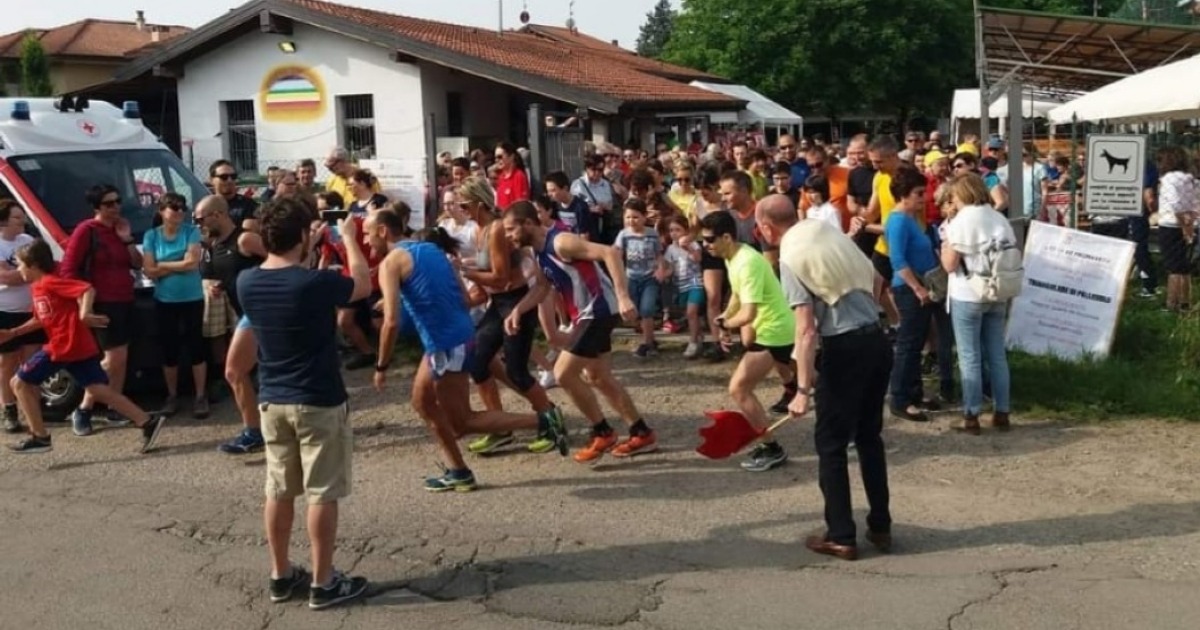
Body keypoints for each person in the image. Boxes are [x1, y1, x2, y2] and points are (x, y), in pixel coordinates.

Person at [237, 197, 370, 610]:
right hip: (318, 399)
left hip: (272, 398)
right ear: (300, 236)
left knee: (278, 490)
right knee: (321, 493)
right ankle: (323, 581)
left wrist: (306, 250)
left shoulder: (247, 282)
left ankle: (280, 575)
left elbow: (289, 281)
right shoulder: (315, 283)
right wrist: (348, 239)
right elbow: (362, 285)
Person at [374, 218, 568, 491]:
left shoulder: (391, 263)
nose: (367, 240)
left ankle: (544, 420)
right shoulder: (430, 250)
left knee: (462, 422)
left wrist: (381, 366)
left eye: (368, 233)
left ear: (383, 231)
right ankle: (459, 471)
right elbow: (460, 300)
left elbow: (391, 322)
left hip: (446, 344)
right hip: (454, 338)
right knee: (423, 403)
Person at [772, 205, 892, 562]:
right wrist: (894, 322)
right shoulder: (830, 237)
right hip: (876, 340)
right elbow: (878, 282)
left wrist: (802, 390)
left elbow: (806, 329)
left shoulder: (791, 255)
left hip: (843, 348)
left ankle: (840, 534)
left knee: (831, 444)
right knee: (870, 437)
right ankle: (881, 525)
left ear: (765, 228)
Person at [502, 202, 658, 463]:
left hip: (597, 310)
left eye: (510, 230)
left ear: (528, 224)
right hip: (587, 314)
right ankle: (641, 432)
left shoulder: (561, 242)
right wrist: (518, 309)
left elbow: (610, 253)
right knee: (598, 377)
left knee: (563, 373)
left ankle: (603, 432)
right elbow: (542, 286)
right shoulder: (538, 251)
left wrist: (622, 297)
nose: (507, 236)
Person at [2, 240, 166, 454]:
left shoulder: (50, 282)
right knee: (98, 389)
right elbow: (41, 319)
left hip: (64, 346)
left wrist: (84, 313)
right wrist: (13, 333)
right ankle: (147, 422)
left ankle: (39, 437)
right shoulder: (37, 287)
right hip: (77, 346)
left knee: (19, 383)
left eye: (21, 264)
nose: (18, 269)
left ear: (33, 265)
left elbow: (86, 289)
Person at [458, 183, 566, 456]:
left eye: (463, 205)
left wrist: (463, 272)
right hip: (499, 303)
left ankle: (550, 419)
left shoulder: (495, 229)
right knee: (477, 361)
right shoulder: (480, 230)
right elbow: (491, 274)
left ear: (479, 204)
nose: (458, 210)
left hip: (518, 300)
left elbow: (501, 277)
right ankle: (499, 426)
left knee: (517, 370)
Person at [699, 206, 796, 472]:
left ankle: (771, 447)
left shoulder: (747, 262)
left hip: (775, 330)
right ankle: (853, 423)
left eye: (709, 240)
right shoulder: (733, 257)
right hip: (772, 327)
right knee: (814, 384)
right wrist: (724, 317)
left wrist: (727, 325)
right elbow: (739, 298)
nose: (705, 245)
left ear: (726, 238)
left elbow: (749, 312)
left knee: (739, 388)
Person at [59, 184, 143, 435]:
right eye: (108, 203)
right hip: (102, 301)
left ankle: (115, 407)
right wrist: (83, 302)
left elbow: (137, 264)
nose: (115, 207)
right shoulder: (87, 230)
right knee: (112, 358)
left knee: (121, 358)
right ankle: (84, 408)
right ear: (96, 207)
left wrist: (127, 238)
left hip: (125, 298)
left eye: (118, 201)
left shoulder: (119, 229)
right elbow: (68, 270)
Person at [940, 173, 1016, 435]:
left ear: (961, 194)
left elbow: (950, 264)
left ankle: (971, 415)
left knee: (969, 356)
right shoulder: (999, 218)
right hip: (998, 292)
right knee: (997, 354)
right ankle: (1002, 411)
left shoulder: (961, 221)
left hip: (967, 293)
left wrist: (944, 245)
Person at [195, 196, 268, 454]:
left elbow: (282, 260)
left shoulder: (245, 239)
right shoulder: (215, 244)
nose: (198, 224)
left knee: (235, 371)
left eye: (200, 219)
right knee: (258, 372)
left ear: (217, 215)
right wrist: (220, 287)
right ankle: (263, 429)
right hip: (245, 313)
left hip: (263, 312)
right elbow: (229, 274)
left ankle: (254, 432)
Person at [885, 166, 949, 422]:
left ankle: (913, 392)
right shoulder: (899, 220)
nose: (925, 198)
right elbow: (897, 259)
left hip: (918, 286)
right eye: (919, 193)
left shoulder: (909, 218)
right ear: (903, 194)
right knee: (908, 345)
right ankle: (899, 398)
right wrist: (917, 287)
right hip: (910, 288)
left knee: (915, 343)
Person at [143, 193, 208, 418]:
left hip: (192, 298)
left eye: (182, 208)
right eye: (174, 208)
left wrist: (163, 265)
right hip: (165, 299)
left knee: (196, 346)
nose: (179, 212)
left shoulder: (192, 232)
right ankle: (172, 395)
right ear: (162, 211)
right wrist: (175, 263)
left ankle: (200, 396)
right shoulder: (151, 235)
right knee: (169, 348)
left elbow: (192, 263)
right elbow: (148, 269)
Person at [0, 200, 44, 433]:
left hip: (30, 309)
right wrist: (26, 273)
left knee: (31, 362)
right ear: (4, 221)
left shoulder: (27, 241)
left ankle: (33, 410)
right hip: (5, 310)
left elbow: (40, 270)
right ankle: (9, 409)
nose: (23, 221)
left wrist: (20, 274)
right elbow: (5, 278)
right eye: (17, 218)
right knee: (7, 363)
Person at [614, 199, 663, 358]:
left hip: (650, 277)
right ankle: (650, 339)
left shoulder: (652, 233)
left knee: (647, 310)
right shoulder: (624, 235)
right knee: (635, 312)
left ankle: (648, 344)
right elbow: (617, 256)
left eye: (635, 217)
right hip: (631, 277)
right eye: (628, 217)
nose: (631, 221)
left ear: (644, 217)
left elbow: (658, 254)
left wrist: (660, 268)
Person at [1155, 146, 1197, 313]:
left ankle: (1171, 304)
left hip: (1170, 224)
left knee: (1173, 267)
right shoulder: (1189, 178)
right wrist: (1189, 225)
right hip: (1189, 223)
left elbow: (1175, 205)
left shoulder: (1168, 179)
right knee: (1184, 267)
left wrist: (1183, 225)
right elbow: (1194, 201)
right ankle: (1185, 303)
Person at [658, 215, 705, 359]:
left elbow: (698, 258)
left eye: (677, 230)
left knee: (691, 312)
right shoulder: (671, 249)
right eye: (671, 230)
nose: (674, 233)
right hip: (681, 286)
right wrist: (663, 274)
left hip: (696, 282)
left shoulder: (693, 244)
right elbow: (671, 268)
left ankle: (693, 342)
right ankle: (698, 335)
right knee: (690, 314)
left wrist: (688, 248)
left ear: (685, 231)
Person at [209, 160, 260, 230]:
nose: (229, 180)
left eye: (233, 176)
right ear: (211, 180)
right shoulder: (205, 206)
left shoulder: (249, 205)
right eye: (224, 177)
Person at [494, 142, 530, 211]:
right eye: (495, 157)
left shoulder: (519, 176)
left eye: (500, 157)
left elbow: (521, 205)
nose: (497, 160)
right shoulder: (501, 177)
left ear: (511, 156)